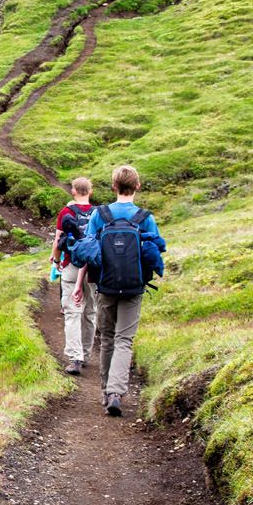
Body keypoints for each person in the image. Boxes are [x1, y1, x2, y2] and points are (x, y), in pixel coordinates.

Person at [73, 165, 162, 417]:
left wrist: (79, 284)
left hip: (106, 286)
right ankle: (116, 392)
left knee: (108, 338)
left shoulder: (100, 214)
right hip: (134, 287)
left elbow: (88, 251)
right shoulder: (145, 217)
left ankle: (105, 391)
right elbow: (154, 253)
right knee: (125, 339)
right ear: (138, 186)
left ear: (113, 187)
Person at [50, 177, 96, 376]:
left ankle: (75, 357)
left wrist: (56, 261)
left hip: (72, 266)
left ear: (73, 191)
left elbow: (58, 239)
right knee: (91, 312)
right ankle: (85, 353)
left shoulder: (66, 212)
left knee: (72, 312)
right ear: (90, 192)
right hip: (93, 269)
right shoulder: (98, 213)